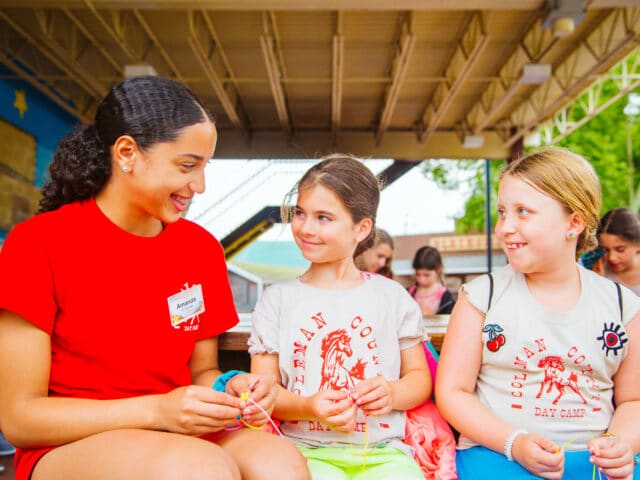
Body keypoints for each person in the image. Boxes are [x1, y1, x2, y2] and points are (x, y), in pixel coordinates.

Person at [0, 76, 308, 480]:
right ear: (127, 152)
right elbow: (20, 419)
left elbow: (202, 374)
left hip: (175, 428)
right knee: (201, 470)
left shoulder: (201, 249)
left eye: (204, 167)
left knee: (280, 464)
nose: (199, 186)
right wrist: (156, 410)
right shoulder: (37, 243)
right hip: (69, 444)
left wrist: (232, 388)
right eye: (187, 166)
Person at [436, 147, 640, 480]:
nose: (505, 228)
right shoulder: (481, 298)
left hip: (596, 465)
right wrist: (513, 443)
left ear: (573, 222)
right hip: (498, 457)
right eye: (503, 212)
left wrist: (622, 444)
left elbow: (634, 399)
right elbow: (452, 392)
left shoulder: (622, 306)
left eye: (523, 212)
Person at [249, 155, 431, 479]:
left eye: (323, 217)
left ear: (361, 228)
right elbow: (264, 391)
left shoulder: (392, 298)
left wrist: (392, 392)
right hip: (303, 452)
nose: (306, 227)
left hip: (383, 452)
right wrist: (308, 406)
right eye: (300, 213)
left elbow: (419, 377)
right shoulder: (277, 300)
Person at [597, 207, 640, 295]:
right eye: (606, 249)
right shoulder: (597, 269)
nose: (611, 258)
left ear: (638, 245)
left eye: (620, 250)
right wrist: (596, 280)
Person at [407, 246, 455, 315]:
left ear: (439, 270)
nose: (421, 279)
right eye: (418, 274)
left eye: (426, 275)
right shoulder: (407, 293)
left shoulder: (447, 299)